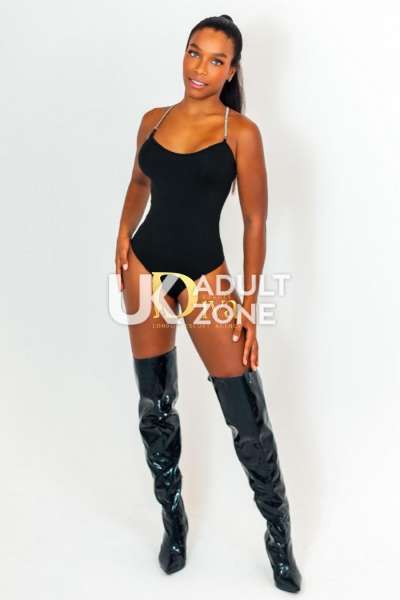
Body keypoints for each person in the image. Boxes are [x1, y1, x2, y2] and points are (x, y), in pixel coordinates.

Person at [115, 14, 302, 593]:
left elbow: (254, 220)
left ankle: (278, 536)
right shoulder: (153, 119)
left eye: (216, 60)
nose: (200, 68)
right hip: (145, 270)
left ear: (231, 71)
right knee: (155, 406)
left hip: (205, 279)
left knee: (247, 417)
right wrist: (122, 233)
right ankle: (173, 521)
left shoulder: (239, 132)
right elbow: (140, 184)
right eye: (194, 52)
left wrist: (249, 307)